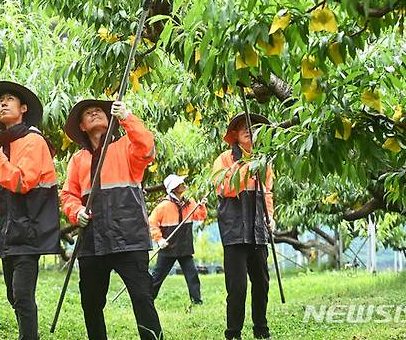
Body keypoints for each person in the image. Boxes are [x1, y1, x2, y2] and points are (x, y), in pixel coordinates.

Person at [60, 99, 163, 340]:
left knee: (142, 297)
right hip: (92, 240)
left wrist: (127, 116)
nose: (94, 113)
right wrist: (77, 213)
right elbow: (68, 195)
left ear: (110, 119)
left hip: (129, 236)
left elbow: (147, 147)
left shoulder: (127, 146)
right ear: (82, 126)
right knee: (91, 303)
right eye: (87, 113)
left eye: (99, 111)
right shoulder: (78, 159)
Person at [0, 81, 60, 340]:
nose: (2, 103)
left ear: (23, 108)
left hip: (30, 229)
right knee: (13, 294)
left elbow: (21, 183)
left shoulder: (32, 140)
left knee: (22, 295)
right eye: (0, 100)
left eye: (9, 99)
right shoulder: (6, 145)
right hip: (12, 230)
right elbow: (4, 192)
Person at [212, 113, 275, 340]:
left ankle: (261, 329)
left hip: (258, 229)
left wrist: (271, 217)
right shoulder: (224, 159)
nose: (249, 130)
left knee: (262, 284)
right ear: (235, 135)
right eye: (243, 127)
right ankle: (233, 333)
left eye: (254, 127)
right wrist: (249, 165)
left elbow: (267, 192)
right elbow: (225, 187)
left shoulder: (265, 163)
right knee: (237, 288)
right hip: (234, 230)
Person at [149, 174, 207, 304]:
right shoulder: (163, 206)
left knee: (192, 276)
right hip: (168, 247)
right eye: (180, 183)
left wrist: (201, 206)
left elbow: (200, 217)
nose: (183, 184)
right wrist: (159, 239)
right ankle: (148, 300)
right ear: (174, 188)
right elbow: (152, 223)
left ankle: (197, 301)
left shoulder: (189, 203)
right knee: (157, 277)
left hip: (184, 247)